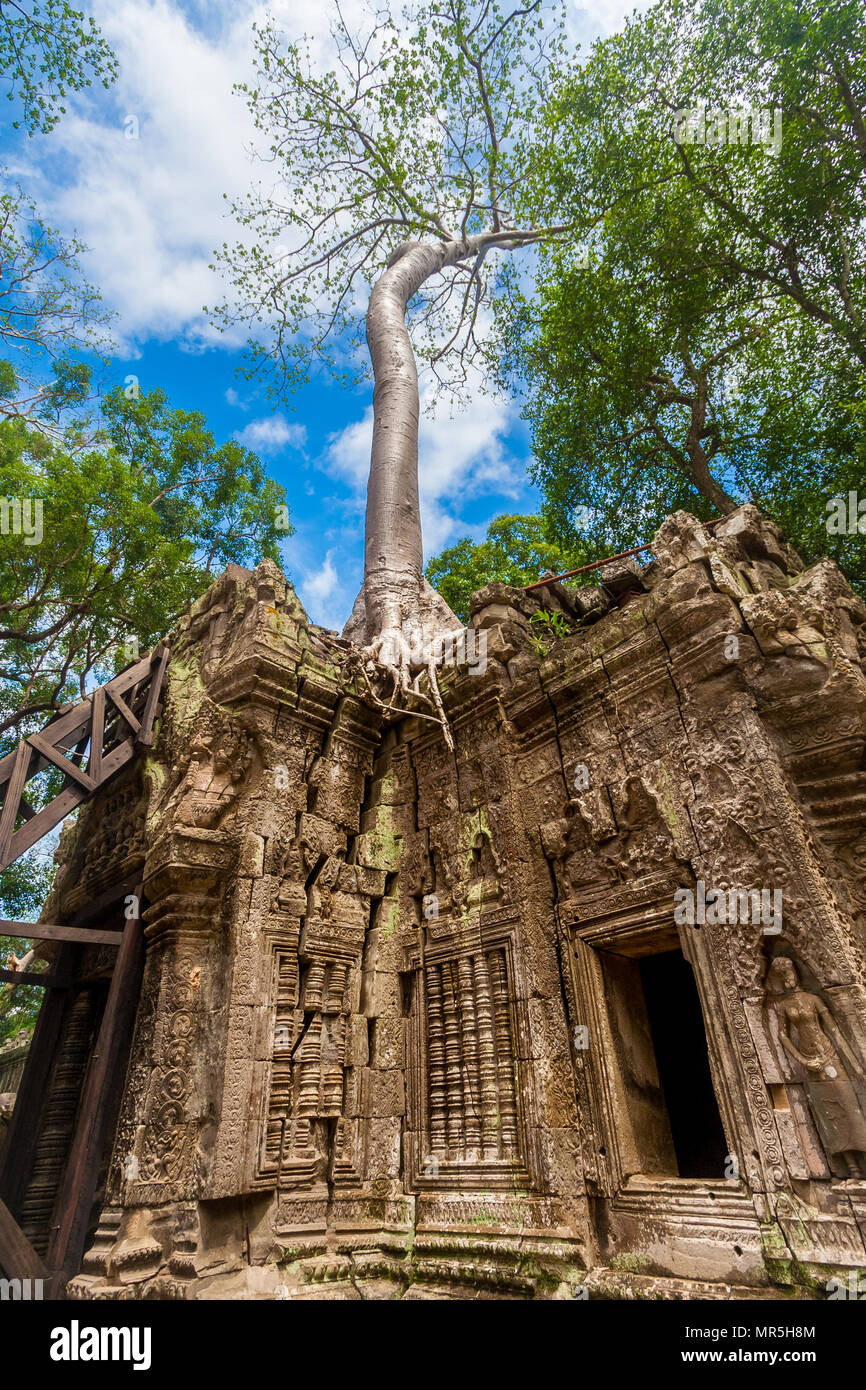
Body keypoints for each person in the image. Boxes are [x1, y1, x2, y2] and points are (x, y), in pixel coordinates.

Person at [767, 956, 866, 1178]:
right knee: (829, 1113)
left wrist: (853, 1062)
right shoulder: (784, 1005)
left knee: (849, 1105)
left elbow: (833, 1029)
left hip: (829, 1055)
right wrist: (804, 1061)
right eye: (782, 976)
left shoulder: (812, 999)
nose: (787, 979)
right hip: (809, 1061)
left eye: (789, 974)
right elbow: (783, 1035)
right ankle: (852, 1168)